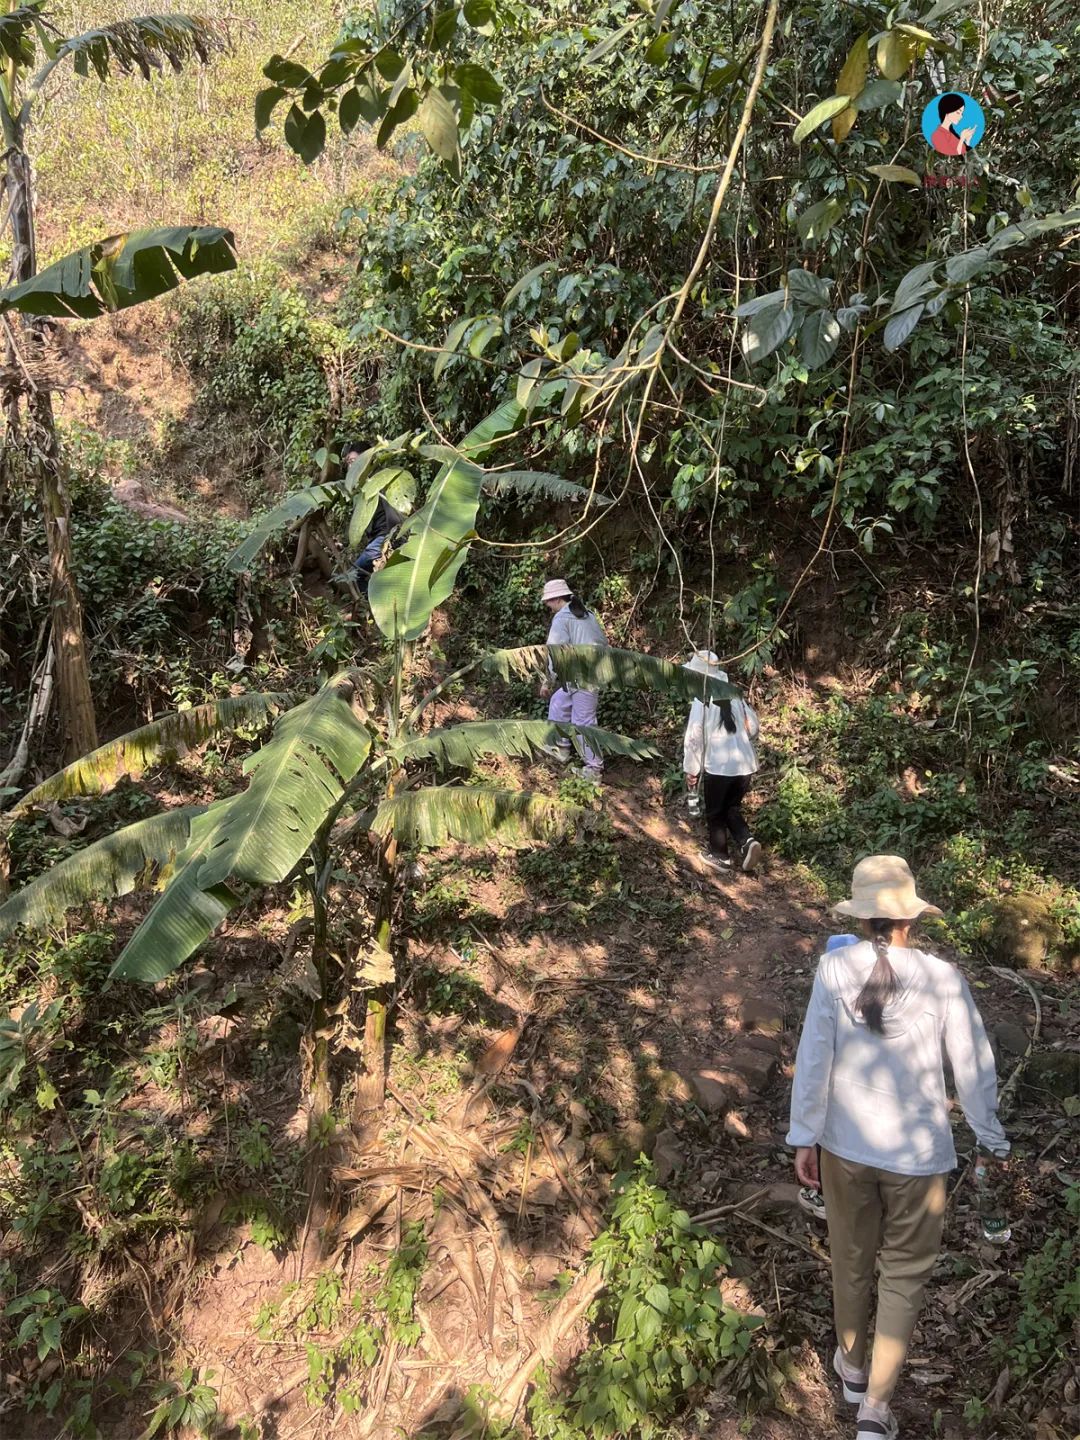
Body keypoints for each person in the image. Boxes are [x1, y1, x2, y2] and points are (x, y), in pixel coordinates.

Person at [787, 856, 1009, 1440]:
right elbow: (973, 1066)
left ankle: (852, 1369)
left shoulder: (833, 968)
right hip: (919, 1157)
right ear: (911, 918)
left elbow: (814, 1057)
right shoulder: (942, 978)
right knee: (904, 1274)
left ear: (861, 918)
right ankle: (875, 1409)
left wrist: (803, 1134)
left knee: (850, 1259)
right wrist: (990, 1138)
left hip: (844, 1147)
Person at [682, 650, 762, 873]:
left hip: (719, 767)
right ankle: (747, 842)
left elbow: (694, 737)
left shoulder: (702, 698)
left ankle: (720, 856)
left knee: (715, 812)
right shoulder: (734, 694)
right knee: (731, 809)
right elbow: (753, 727)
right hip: (744, 764)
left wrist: (691, 769)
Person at [538, 578, 608, 779]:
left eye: (548, 601)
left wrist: (547, 681)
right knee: (559, 703)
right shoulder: (586, 614)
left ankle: (593, 770)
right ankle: (560, 748)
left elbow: (555, 653)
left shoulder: (562, 618)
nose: (547, 605)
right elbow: (603, 642)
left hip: (584, 678)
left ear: (556, 599)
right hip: (583, 675)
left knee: (583, 722)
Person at [342, 442, 406, 594]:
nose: (351, 467)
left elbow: (396, 514)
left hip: (385, 540)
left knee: (354, 575)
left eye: (354, 461)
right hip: (382, 540)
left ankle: (368, 604)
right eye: (349, 463)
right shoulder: (366, 487)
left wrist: (393, 539)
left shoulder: (379, 481)